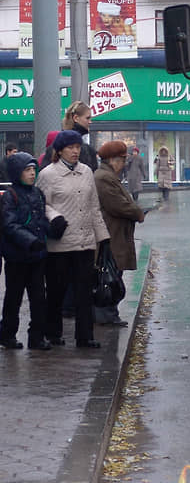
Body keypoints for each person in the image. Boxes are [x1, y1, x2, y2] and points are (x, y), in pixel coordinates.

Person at [36, 130, 110, 348]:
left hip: (85, 242)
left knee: (84, 293)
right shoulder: (48, 174)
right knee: (57, 292)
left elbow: (94, 207)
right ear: (59, 151)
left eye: (77, 147)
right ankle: (53, 333)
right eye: (70, 147)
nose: (75, 151)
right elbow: (41, 204)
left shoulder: (87, 171)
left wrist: (103, 237)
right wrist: (55, 217)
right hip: (60, 244)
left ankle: (85, 336)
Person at [0, 152, 56, 350]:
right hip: (17, 257)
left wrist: (52, 230)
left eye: (33, 169)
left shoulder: (37, 193)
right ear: (17, 173)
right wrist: (30, 241)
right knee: (14, 298)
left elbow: (40, 220)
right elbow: (9, 225)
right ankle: (7, 334)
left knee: (39, 297)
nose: (32, 173)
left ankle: (37, 336)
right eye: (27, 170)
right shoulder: (10, 197)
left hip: (37, 256)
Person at [93, 141, 145, 326]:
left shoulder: (107, 176)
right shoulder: (104, 177)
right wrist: (137, 212)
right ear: (113, 160)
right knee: (109, 277)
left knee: (113, 275)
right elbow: (117, 204)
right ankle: (105, 315)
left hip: (115, 233)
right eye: (122, 160)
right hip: (111, 235)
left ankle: (110, 314)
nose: (124, 164)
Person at [61, 101, 98, 171]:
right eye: (87, 118)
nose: (90, 122)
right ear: (76, 118)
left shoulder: (59, 142)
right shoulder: (84, 148)